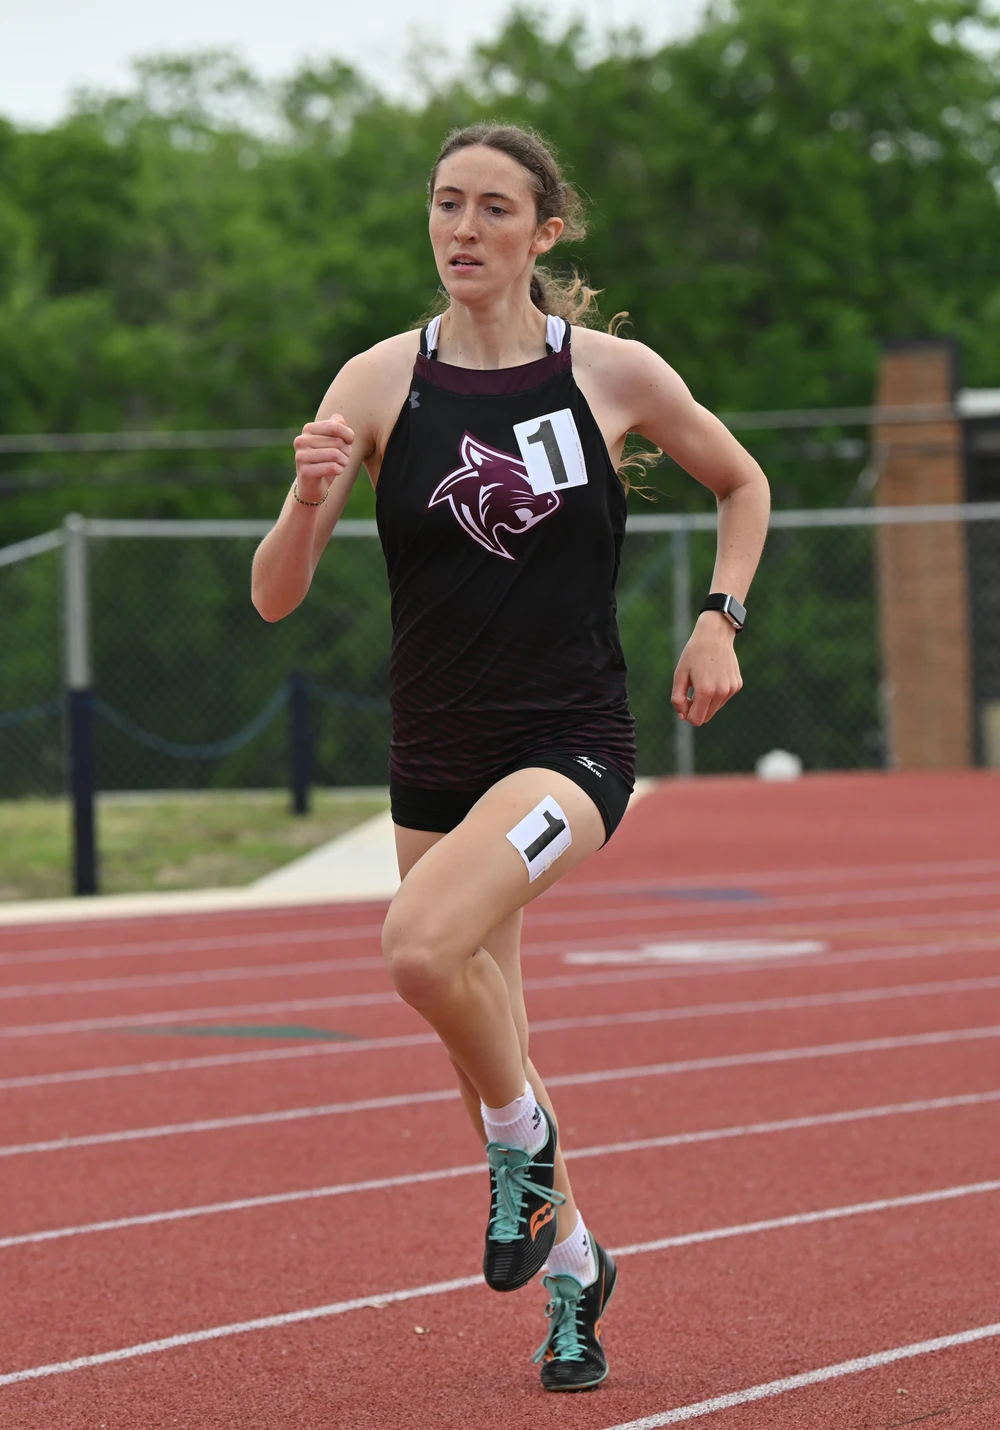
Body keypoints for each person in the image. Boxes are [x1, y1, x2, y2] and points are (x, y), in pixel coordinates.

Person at [252, 121, 770, 1392]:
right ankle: (576, 1267)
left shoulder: (611, 372)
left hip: (569, 749)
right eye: (445, 204)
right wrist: (307, 494)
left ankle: (523, 1144)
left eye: (493, 208)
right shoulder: (375, 384)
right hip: (433, 749)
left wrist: (720, 617)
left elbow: (741, 482)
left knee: (419, 948)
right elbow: (273, 596)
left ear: (544, 233)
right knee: (485, 1022)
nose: (463, 228)